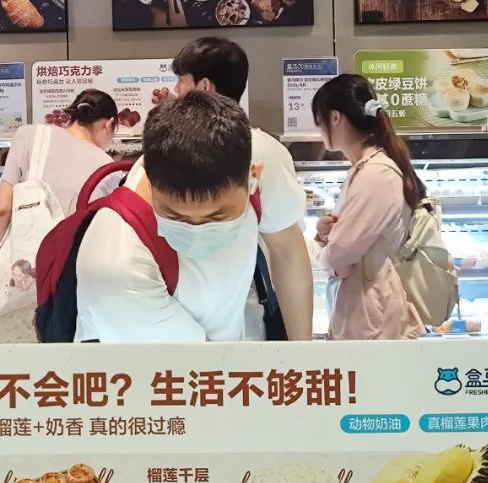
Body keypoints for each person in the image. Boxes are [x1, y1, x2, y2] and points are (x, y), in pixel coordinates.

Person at [75, 91, 268, 342]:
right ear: (149, 178)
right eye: (175, 216)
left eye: (218, 216)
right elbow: (183, 363)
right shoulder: (115, 264)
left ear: (253, 177)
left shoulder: (246, 166)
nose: (198, 232)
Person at [171, 37, 314, 340]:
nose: (175, 90)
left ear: (204, 87)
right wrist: (302, 350)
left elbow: (287, 253)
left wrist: (302, 350)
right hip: (211, 326)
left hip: (191, 325)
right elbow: (288, 252)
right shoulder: (260, 147)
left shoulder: (255, 149)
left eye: (181, 80)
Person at [0, 89, 120, 326]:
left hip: (17, 289)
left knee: (10, 350)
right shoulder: (108, 168)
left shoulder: (30, 136)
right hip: (68, 298)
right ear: (108, 125)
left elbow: (1, 209)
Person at [310, 74, 426, 341]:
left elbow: (340, 256)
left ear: (335, 117)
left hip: (372, 321)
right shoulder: (369, 169)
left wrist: (324, 255)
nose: (319, 129)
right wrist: (328, 237)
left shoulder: (375, 174)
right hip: (369, 316)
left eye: (319, 120)